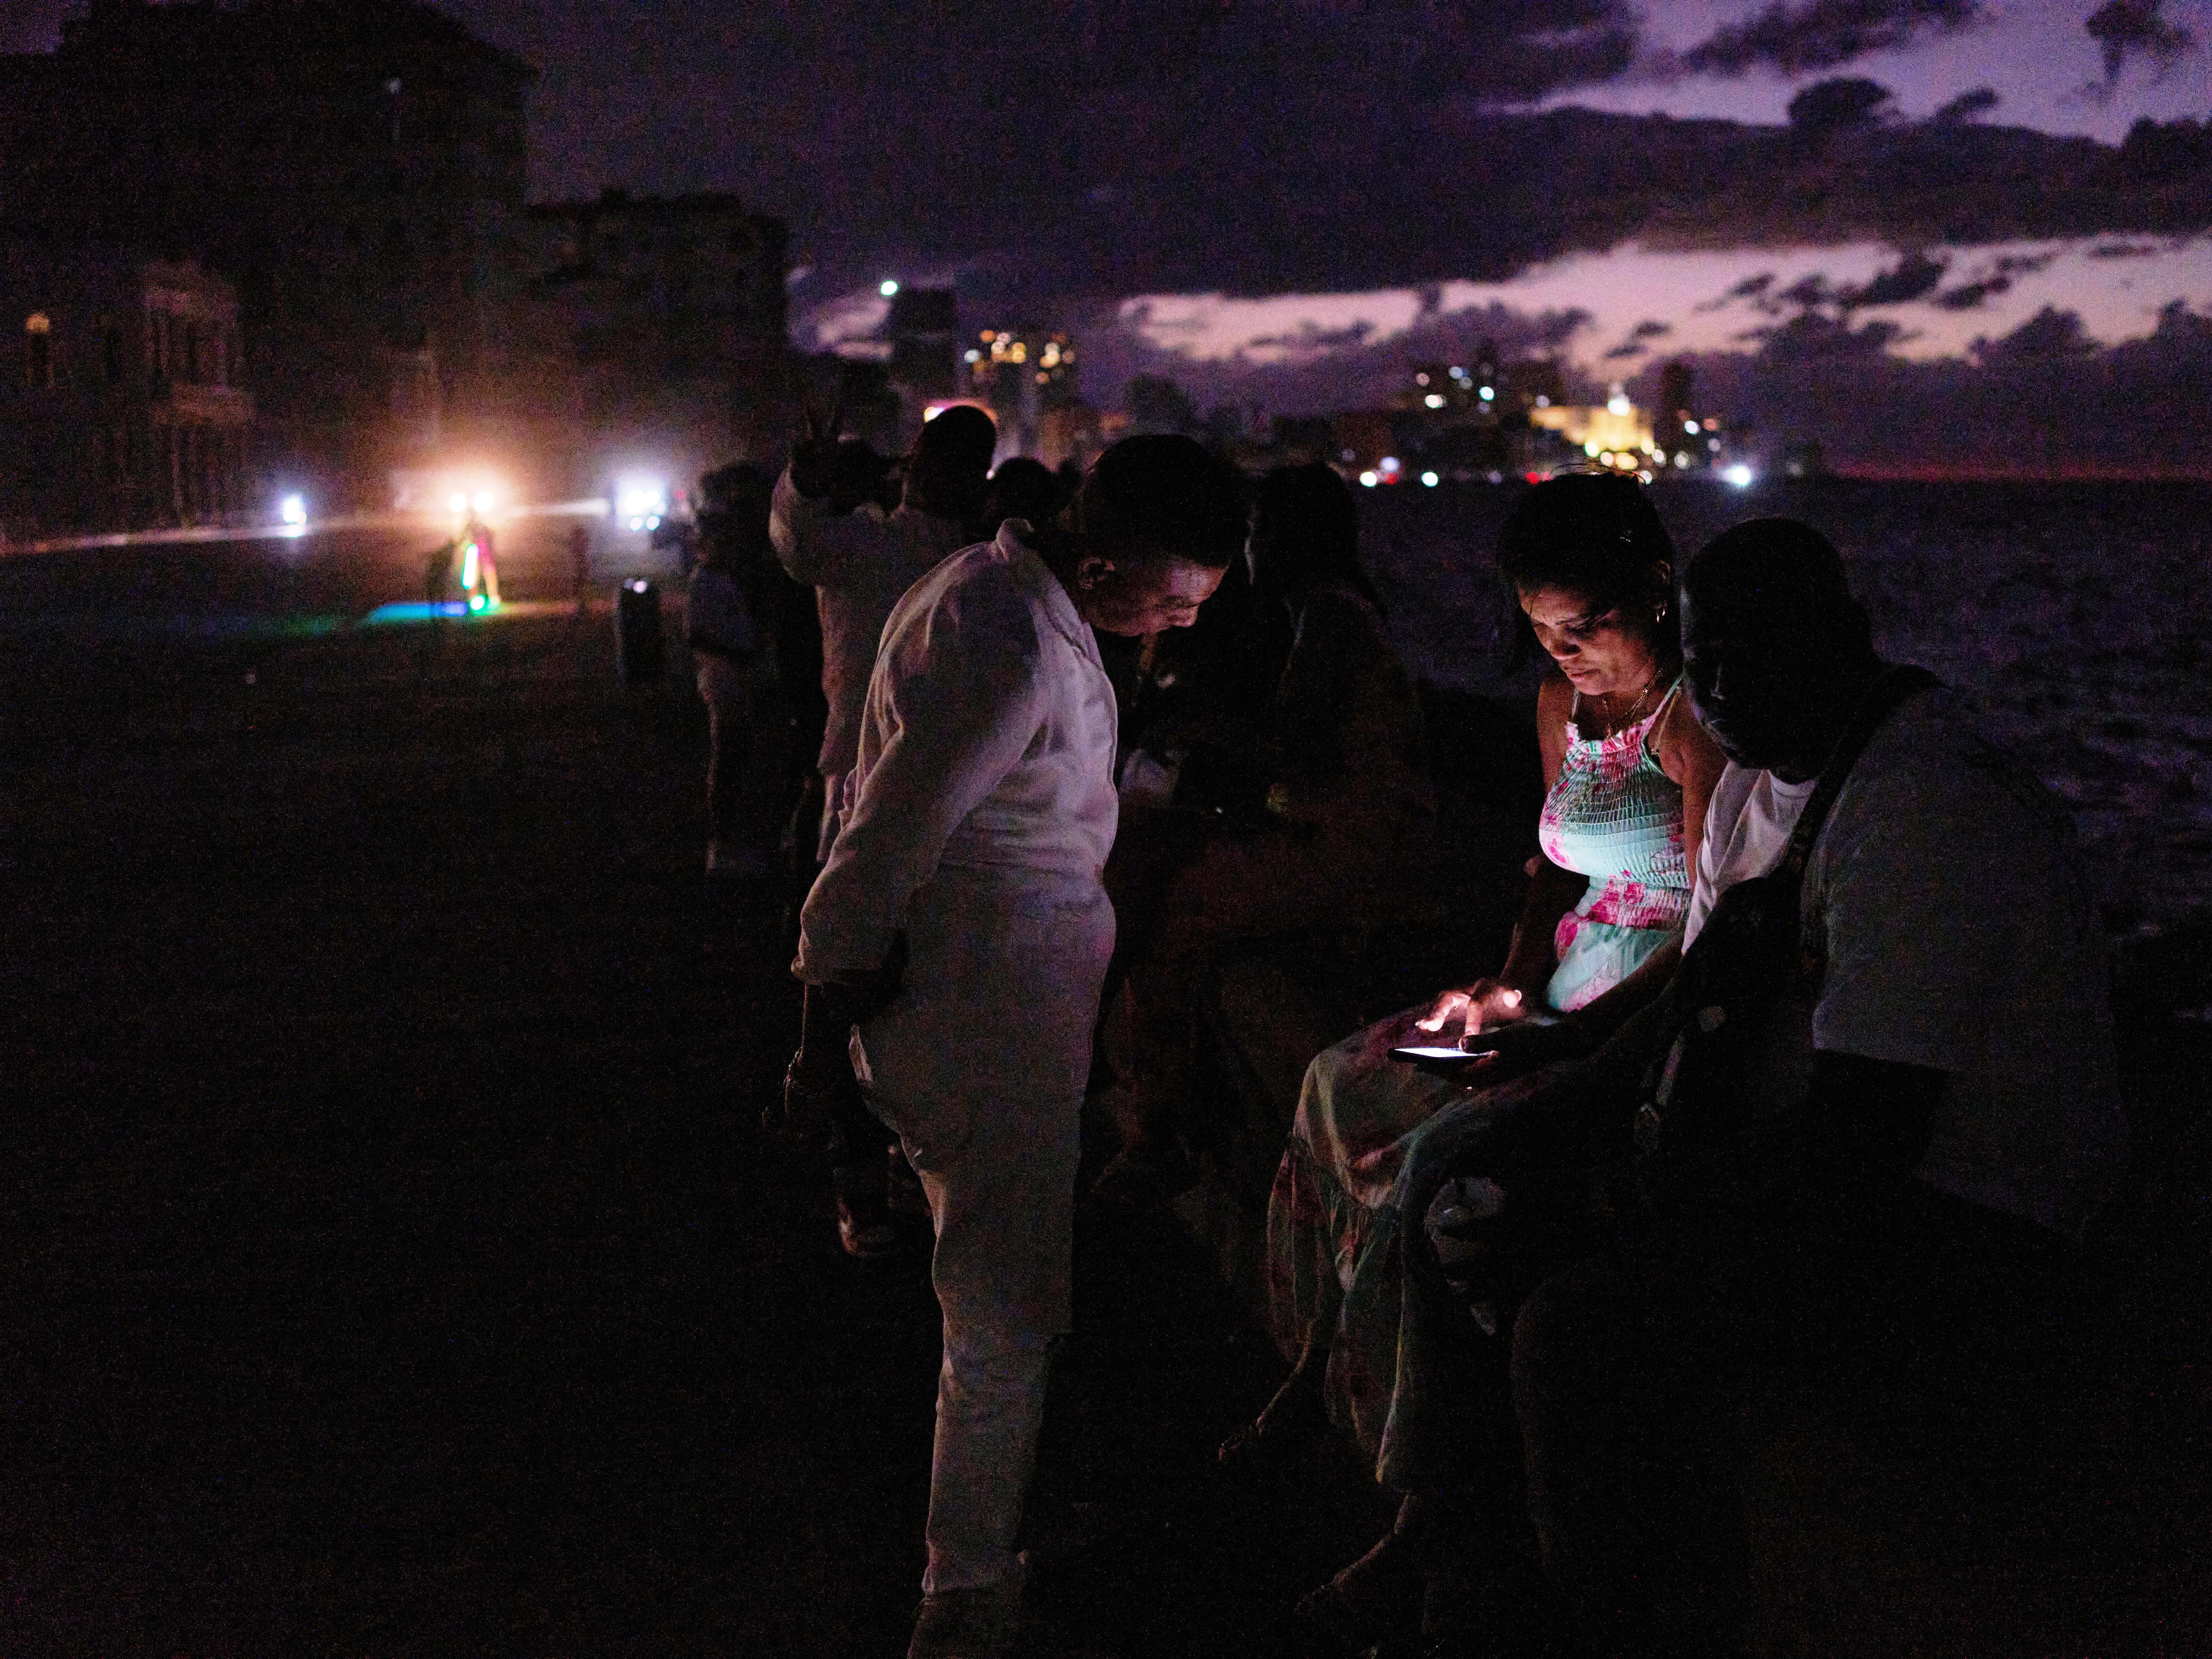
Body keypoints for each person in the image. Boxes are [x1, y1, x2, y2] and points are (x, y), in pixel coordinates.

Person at [1364, 517, 2129, 1656]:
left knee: (1575, 1321)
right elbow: (1696, 998)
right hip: (1827, 1164)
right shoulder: (1759, 782)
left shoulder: (1918, 805)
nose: (1721, 686)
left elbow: (1866, 1133)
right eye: (1707, 656)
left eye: (1758, 654)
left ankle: (1576, 1618)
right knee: (1479, 1200)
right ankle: (1460, 1578)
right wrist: (1562, 1077)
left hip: (1969, 1223)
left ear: (1847, 636)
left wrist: (1640, 1206)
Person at [1240, 473, 1726, 1645]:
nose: (1569, 654)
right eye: (1546, 631)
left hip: (1639, 1018)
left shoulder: (1702, 719)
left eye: (1588, 624)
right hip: (1561, 985)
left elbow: (1716, 927)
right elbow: (1550, 871)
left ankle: (1422, 1520)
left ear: (1656, 594)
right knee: (1334, 1080)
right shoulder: (1562, 707)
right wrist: (1501, 987)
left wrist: (1574, 1036)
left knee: (1439, 1171)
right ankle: (1318, 1366)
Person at [784, 435, 1247, 1659]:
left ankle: (992, 1551)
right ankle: (966, 1598)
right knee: (998, 1323)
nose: (1180, 625)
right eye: (1172, 600)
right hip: (981, 1029)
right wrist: (816, 1036)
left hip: (1000, 1021)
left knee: (1003, 1304)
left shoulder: (992, 595)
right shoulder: (1001, 645)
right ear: (1099, 569)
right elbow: (877, 842)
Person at [1095, 463, 1442, 1201]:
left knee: (1172, 902)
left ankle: (1158, 1125)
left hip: (1349, 852)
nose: (1249, 549)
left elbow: (1301, 754)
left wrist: (1202, 723)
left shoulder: (1331, 619)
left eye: (1256, 532)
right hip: (1355, 836)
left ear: (1287, 538)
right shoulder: (1332, 613)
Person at [772, 404, 999, 1245]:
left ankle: (881, 1169)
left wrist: (804, 488)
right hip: (876, 789)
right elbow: (799, 546)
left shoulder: (962, 555)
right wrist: (804, 486)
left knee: (889, 987)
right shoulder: (887, 546)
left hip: (912, 792)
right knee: (863, 983)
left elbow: (798, 543)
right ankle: (868, 1172)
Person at [686, 519, 764, 877]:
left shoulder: (722, 578)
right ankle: (723, 846)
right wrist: (739, 655)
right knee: (728, 761)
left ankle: (734, 842)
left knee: (738, 758)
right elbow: (698, 635)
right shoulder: (705, 581)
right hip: (723, 681)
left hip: (733, 679)